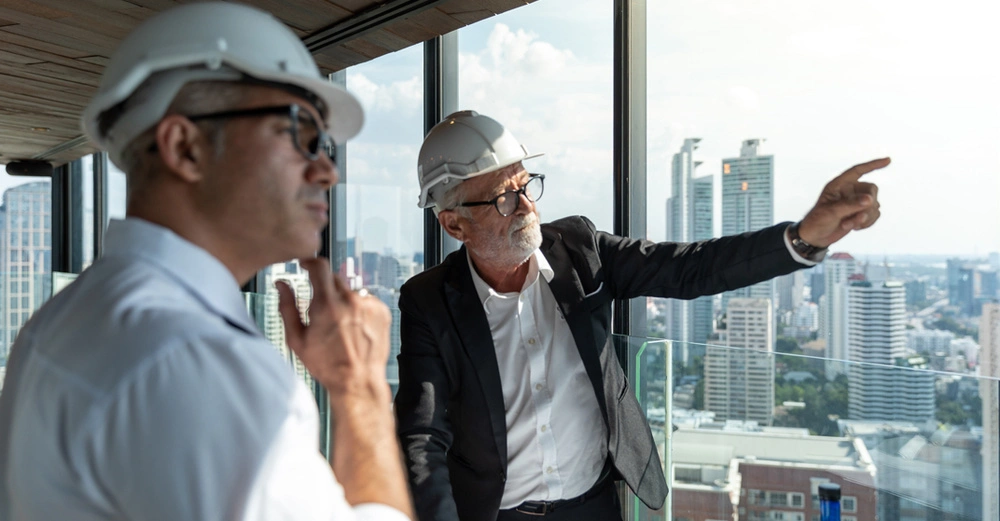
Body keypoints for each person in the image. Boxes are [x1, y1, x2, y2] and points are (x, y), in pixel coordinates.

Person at [0, 3, 411, 520]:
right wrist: (360, 386)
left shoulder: (65, 319)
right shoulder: (190, 355)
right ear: (185, 146)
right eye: (301, 134)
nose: (328, 170)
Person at [394, 110, 888, 521]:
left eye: (527, 186)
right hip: (497, 513)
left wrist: (805, 237)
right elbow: (423, 437)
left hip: (595, 506)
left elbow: (692, 268)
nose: (527, 207)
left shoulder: (580, 251)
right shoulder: (429, 301)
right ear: (454, 224)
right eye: (504, 197)